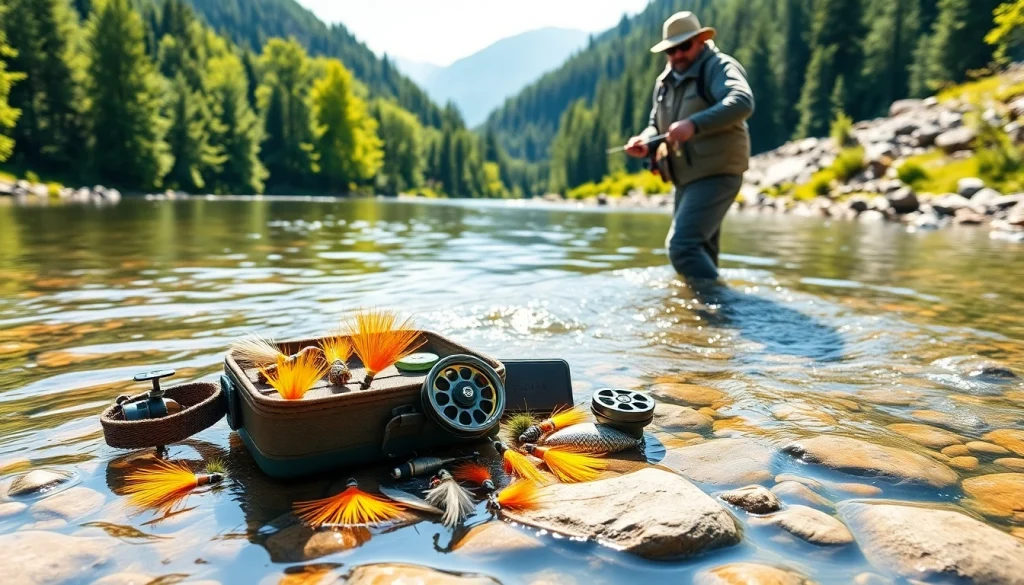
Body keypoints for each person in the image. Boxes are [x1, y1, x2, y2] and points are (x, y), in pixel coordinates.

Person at [625, 11, 754, 281]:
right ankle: (710, 316)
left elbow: (742, 101)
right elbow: (656, 125)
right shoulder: (665, 81)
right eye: (671, 50)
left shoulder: (718, 66)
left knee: (682, 248)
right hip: (685, 178)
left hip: (717, 173)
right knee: (701, 250)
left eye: (684, 46)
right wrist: (645, 142)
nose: (678, 55)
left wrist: (694, 124)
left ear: (700, 40)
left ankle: (723, 305)